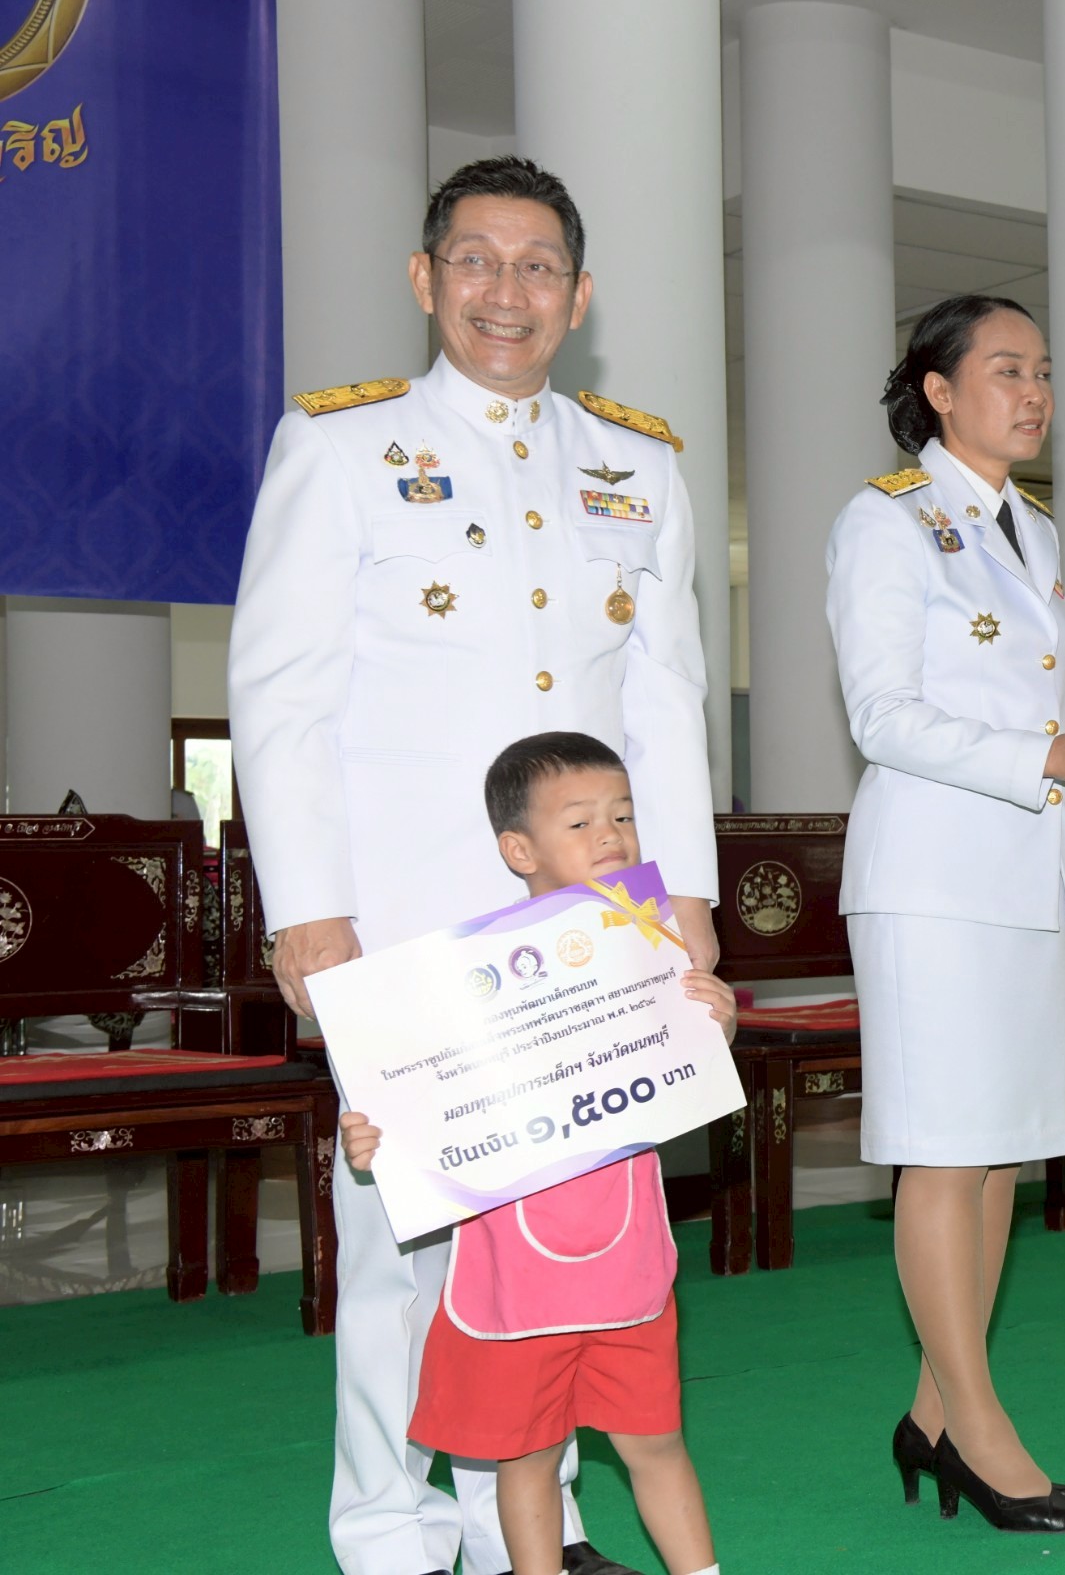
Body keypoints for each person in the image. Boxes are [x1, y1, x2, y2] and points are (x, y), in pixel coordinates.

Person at [231, 154, 714, 1575]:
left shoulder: (644, 465)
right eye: (479, 260)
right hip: (411, 922)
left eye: (540, 266)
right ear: (425, 276)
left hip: (588, 932)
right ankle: (389, 1532)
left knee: (569, 1236)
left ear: (580, 294)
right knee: (402, 1244)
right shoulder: (340, 448)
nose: (509, 291)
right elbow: (283, 696)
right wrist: (308, 913)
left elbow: (667, 700)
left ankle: (536, 1531)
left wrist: (680, 909)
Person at [826, 293, 1065, 1534]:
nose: (1035, 390)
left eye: (1044, 370)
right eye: (1007, 369)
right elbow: (881, 715)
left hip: (1029, 875)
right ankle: (983, 1428)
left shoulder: (1036, 533)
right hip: (937, 880)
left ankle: (933, 1413)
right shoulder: (886, 519)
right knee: (947, 1153)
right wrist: (1046, 753)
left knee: (1002, 1152)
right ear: (938, 391)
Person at [338, 734, 737, 1575]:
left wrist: (715, 1019)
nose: (611, 835)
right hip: (511, 1287)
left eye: (623, 816)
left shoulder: (653, 953)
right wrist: (373, 1139)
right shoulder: (460, 987)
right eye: (582, 820)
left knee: (657, 1443)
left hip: (629, 1273)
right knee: (524, 1461)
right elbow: (413, 1114)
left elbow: (690, 1069)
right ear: (518, 850)